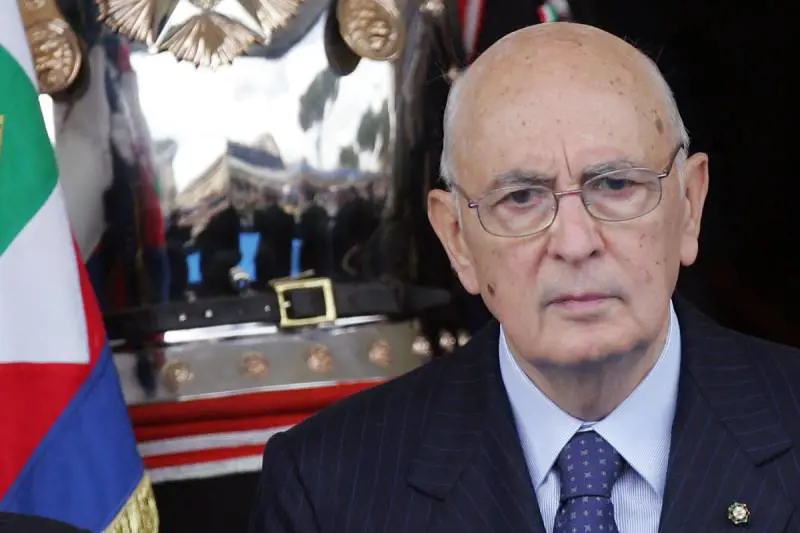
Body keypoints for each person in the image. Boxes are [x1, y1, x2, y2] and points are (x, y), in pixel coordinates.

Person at [248, 22, 800, 532]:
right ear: (457, 239)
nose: (575, 243)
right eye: (521, 198)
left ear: (690, 205)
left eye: (615, 185)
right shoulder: (325, 487)